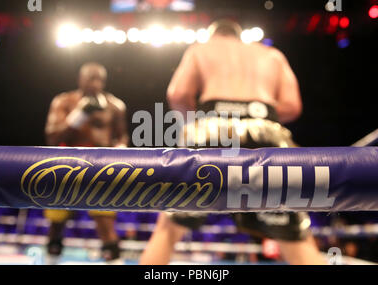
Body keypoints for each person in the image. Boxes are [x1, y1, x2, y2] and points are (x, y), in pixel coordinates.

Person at [139, 19, 326, 265]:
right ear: (240, 36)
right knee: (294, 236)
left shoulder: (201, 49)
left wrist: (196, 123)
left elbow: (178, 94)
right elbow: (292, 105)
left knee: (169, 229)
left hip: (210, 129)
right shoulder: (271, 55)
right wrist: (257, 113)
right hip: (266, 134)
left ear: (212, 35)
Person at [44, 62, 129, 264]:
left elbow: (122, 137)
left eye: (100, 79)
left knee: (106, 223)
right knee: (56, 224)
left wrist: (120, 152)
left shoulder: (115, 105)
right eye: (91, 78)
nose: (95, 83)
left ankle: (114, 261)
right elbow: (51, 137)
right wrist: (79, 116)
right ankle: (51, 260)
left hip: (101, 168)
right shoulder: (64, 102)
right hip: (66, 166)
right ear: (80, 79)